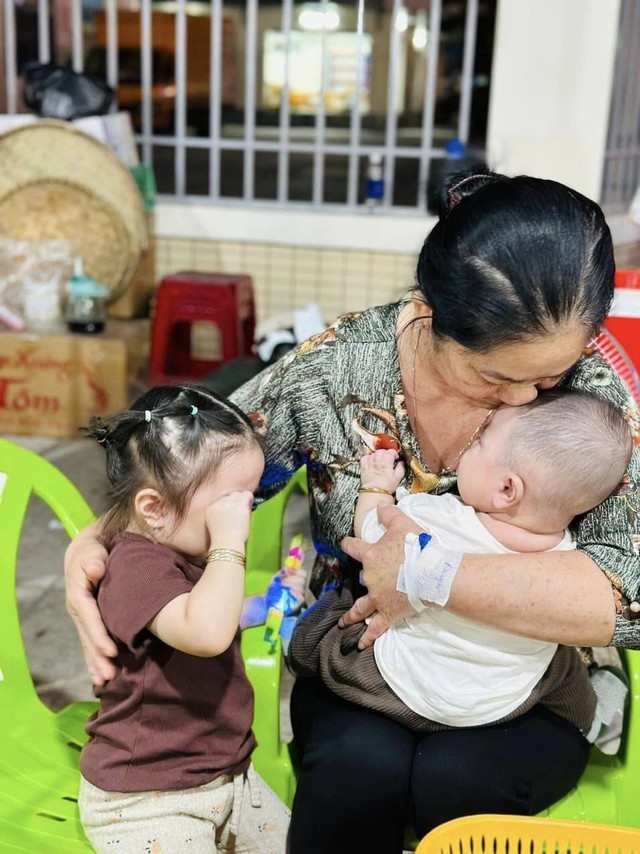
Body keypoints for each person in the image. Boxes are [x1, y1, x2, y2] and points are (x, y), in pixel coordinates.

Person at [65, 170, 640, 854]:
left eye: (547, 379)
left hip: (515, 682)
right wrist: (100, 538)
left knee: (458, 790)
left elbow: (628, 592)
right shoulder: (337, 369)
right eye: (496, 376)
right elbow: (200, 464)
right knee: (356, 778)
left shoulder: (592, 402)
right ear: (430, 312)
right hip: (364, 667)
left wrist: (429, 575)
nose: (525, 400)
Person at [287, 390, 633, 743]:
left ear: (506, 488)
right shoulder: (566, 557)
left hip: (398, 689)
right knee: (559, 661)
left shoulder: (437, 519)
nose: (470, 445)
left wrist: (376, 486)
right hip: (499, 706)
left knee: (346, 604)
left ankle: (297, 645)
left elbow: (374, 539)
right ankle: (591, 720)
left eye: (481, 442)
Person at [76, 384, 293, 854]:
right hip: (147, 798)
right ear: (153, 508)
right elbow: (204, 631)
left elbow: (207, 612)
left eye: (249, 501)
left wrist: (261, 606)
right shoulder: (135, 569)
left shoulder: (182, 543)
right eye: (230, 503)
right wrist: (229, 545)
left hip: (226, 774)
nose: (243, 516)